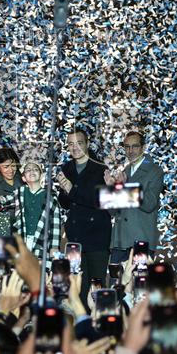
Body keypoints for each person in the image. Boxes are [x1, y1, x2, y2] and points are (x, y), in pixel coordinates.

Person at [57, 128, 109, 303]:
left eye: (79, 143)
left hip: (96, 237)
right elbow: (64, 203)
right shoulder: (66, 168)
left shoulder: (100, 169)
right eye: (70, 144)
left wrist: (71, 190)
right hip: (75, 237)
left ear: (87, 144)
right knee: (77, 286)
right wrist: (65, 191)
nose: (75, 147)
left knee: (97, 287)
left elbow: (99, 201)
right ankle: (81, 325)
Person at [106, 130, 164, 252]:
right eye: (127, 147)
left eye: (135, 146)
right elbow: (113, 212)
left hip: (141, 241)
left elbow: (149, 204)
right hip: (119, 242)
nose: (130, 151)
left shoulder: (155, 171)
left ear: (143, 147)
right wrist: (111, 190)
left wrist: (125, 186)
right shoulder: (124, 172)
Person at [0, 160, 65, 259]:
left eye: (35, 169)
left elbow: (55, 223)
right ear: (24, 178)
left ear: (41, 175)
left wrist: (54, 247)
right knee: (23, 269)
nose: (32, 171)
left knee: (40, 270)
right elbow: (4, 200)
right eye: (28, 170)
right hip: (23, 241)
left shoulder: (50, 197)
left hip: (42, 242)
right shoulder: (20, 192)